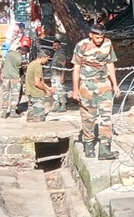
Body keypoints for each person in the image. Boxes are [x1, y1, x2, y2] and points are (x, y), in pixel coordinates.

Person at [71, 23, 119, 160]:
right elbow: (76, 68)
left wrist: (115, 84)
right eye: (97, 37)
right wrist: (75, 89)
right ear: (91, 35)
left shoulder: (108, 44)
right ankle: (88, 144)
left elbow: (110, 63)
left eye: (102, 37)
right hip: (87, 85)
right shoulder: (82, 45)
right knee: (89, 117)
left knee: (106, 118)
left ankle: (104, 149)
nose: (99, 40)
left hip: (104, 84)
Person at [23, 47, 54, 122]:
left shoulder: (32, 64)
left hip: (30, 93)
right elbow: (37, 83)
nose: (47, 61)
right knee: (39, 118)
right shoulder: (38, 66)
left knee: (31, 116)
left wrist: (49, 88)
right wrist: (46, 90)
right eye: (47, 59)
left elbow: (40, 80)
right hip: (37, 95)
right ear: (43, 57)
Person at [1, 40, 28, 118]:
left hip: (6, 77)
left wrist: (2, 72)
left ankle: (4, 112)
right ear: (24, 52)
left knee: (5, 95)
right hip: (15, 78)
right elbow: (24, 68)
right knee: (14, 96)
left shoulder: (9, 53)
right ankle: (13, 112)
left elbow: (2, 62)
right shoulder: (20, 58)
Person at [50, 37, 69, 112]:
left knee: (61, 90)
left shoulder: (61, 53)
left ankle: (63, 105)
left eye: (56, 45)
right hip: (54, 74)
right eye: (53, 45)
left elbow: (63, 65)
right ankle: (56, 104)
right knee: (55, 91)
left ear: (59, 46)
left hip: (58, 75)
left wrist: (62, 76)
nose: (54, 47)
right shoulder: (55, 53)